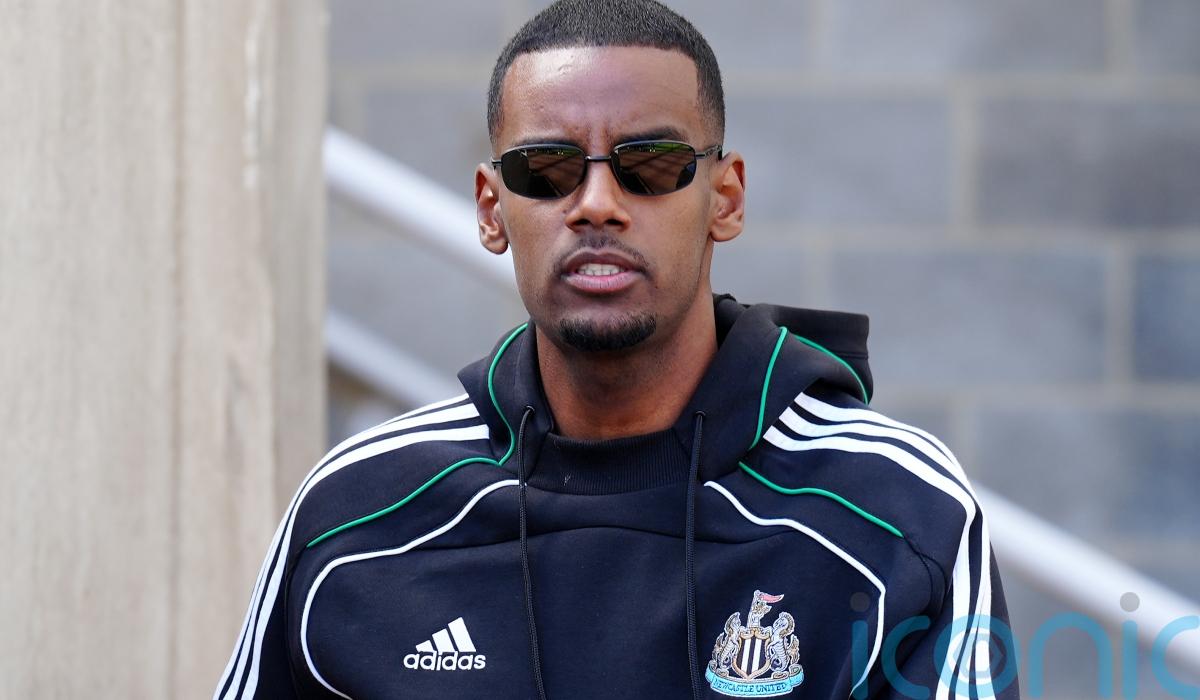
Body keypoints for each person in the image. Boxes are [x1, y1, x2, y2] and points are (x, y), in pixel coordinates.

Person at [215, 1, 1017, 698]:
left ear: (725, 198)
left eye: (651, 165)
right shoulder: (354, 518)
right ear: (492, 210)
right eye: (547, 168)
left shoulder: (897, 513)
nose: (597, 204)